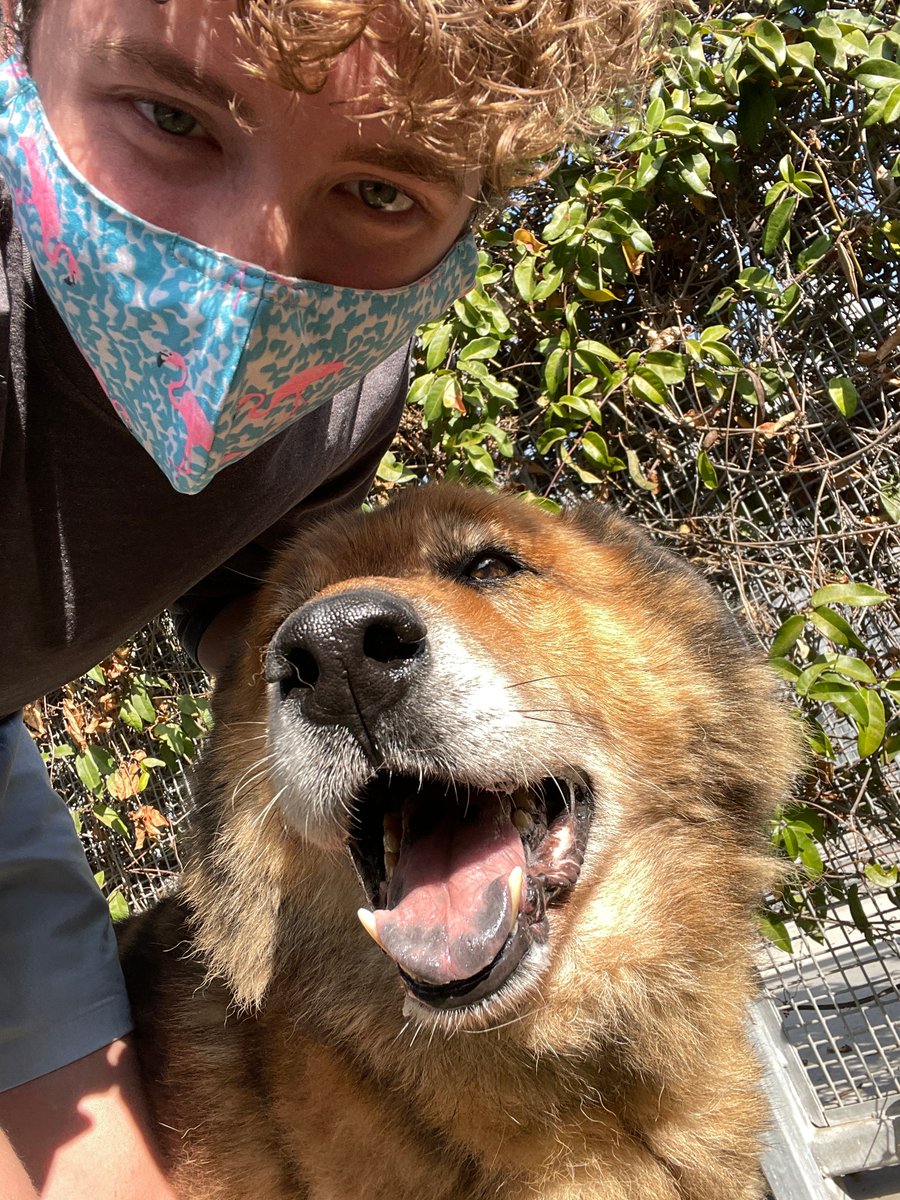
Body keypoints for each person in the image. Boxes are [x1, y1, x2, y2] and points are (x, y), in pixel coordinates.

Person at [0, 0, 656, 1196]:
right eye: (169, 116)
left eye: (384, 193)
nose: (248, 266)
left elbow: (255, 632)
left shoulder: (338, 380)